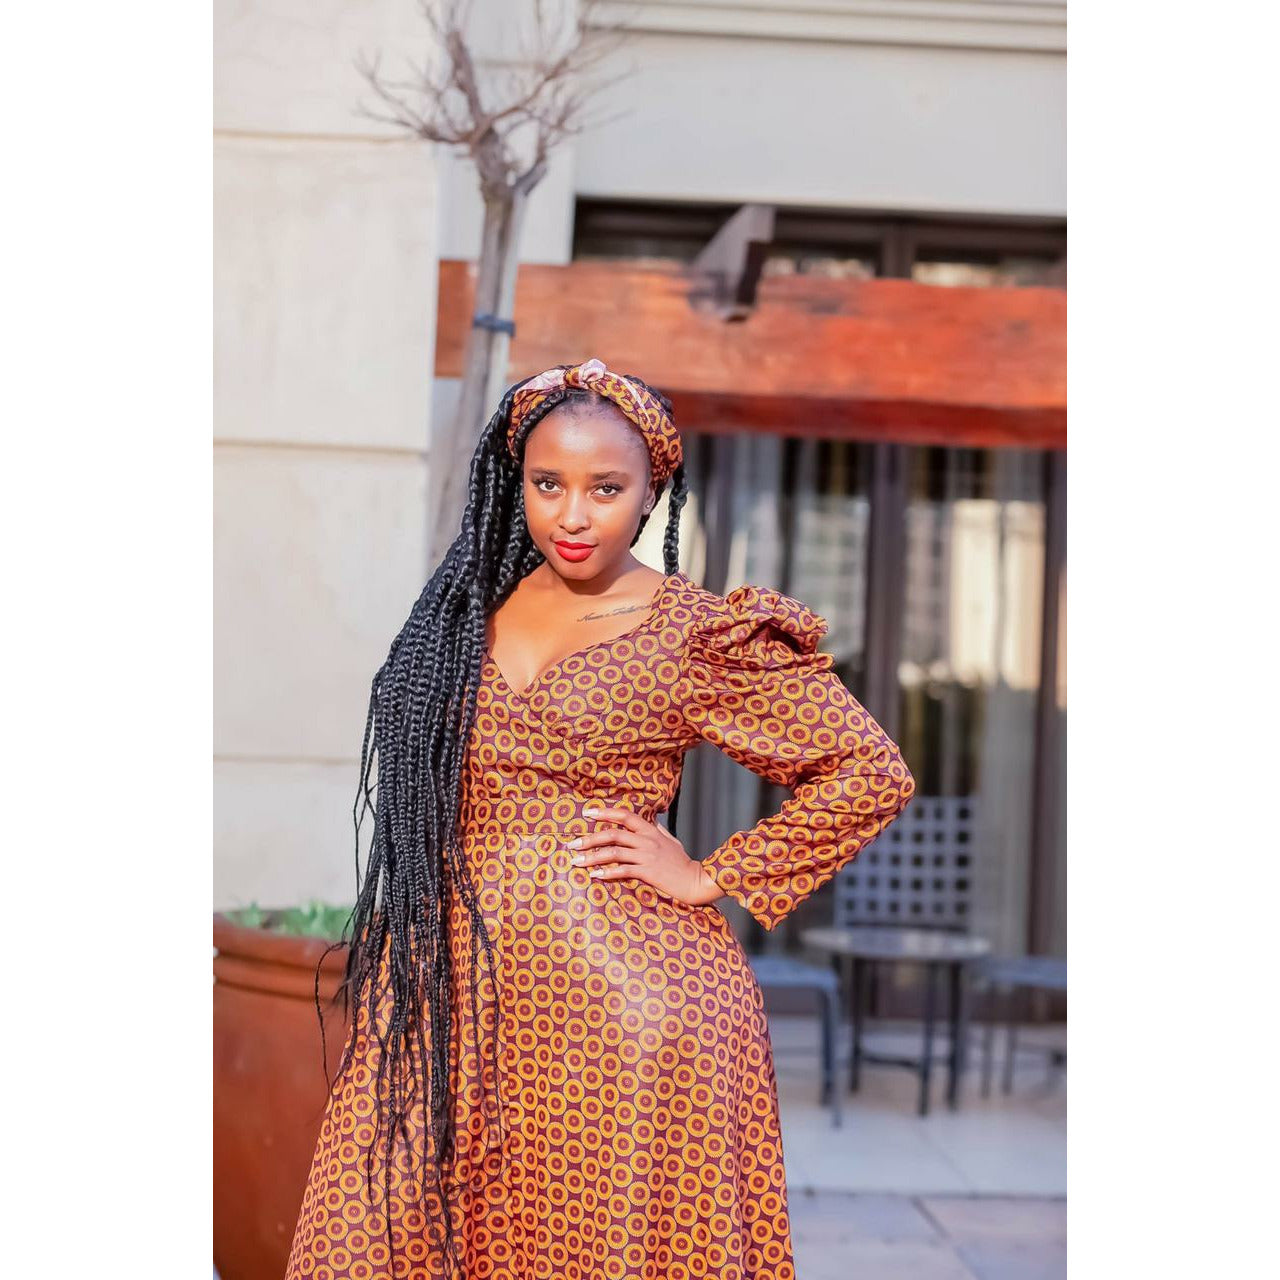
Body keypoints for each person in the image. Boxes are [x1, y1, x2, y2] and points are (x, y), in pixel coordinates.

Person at [284, 358, 916, 1280]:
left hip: (628, 1008)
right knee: (377, 1235)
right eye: (549, 484)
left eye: (606, 489)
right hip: (453, 991)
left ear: (652, 491)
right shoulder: (463, 612)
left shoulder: (694, 632)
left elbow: (868, 769)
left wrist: (710, 874)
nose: (572, 516)